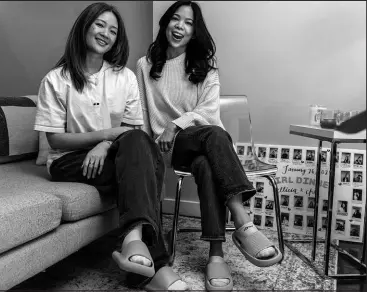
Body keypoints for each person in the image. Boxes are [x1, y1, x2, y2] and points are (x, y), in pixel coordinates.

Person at [33, 3, 186, 290]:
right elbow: (55, 139)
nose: (106, 34)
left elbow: (132, 131)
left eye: (113, 31)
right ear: (84, 27)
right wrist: (106, 135)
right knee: (145, 162)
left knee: (140, 144)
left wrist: (105, 144)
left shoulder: (124, 76)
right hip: (68, 161)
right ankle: (156, 265)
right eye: (100, 25)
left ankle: (134, 243)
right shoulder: (56, 79)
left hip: (113, 153)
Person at [136, 1, 282, 290]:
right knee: (215, 135)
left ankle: (216, 256)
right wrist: (148, 146)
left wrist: (174, 124)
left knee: (206, 161)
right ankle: (243, 221)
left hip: (201, 142)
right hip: (168, 148)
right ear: (165, 23)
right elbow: (141, 111)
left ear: (195, 31)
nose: (179, 27)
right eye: (175, 20)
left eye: (188, 23)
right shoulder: (145, 64)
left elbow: (208, 114)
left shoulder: (207, 68)